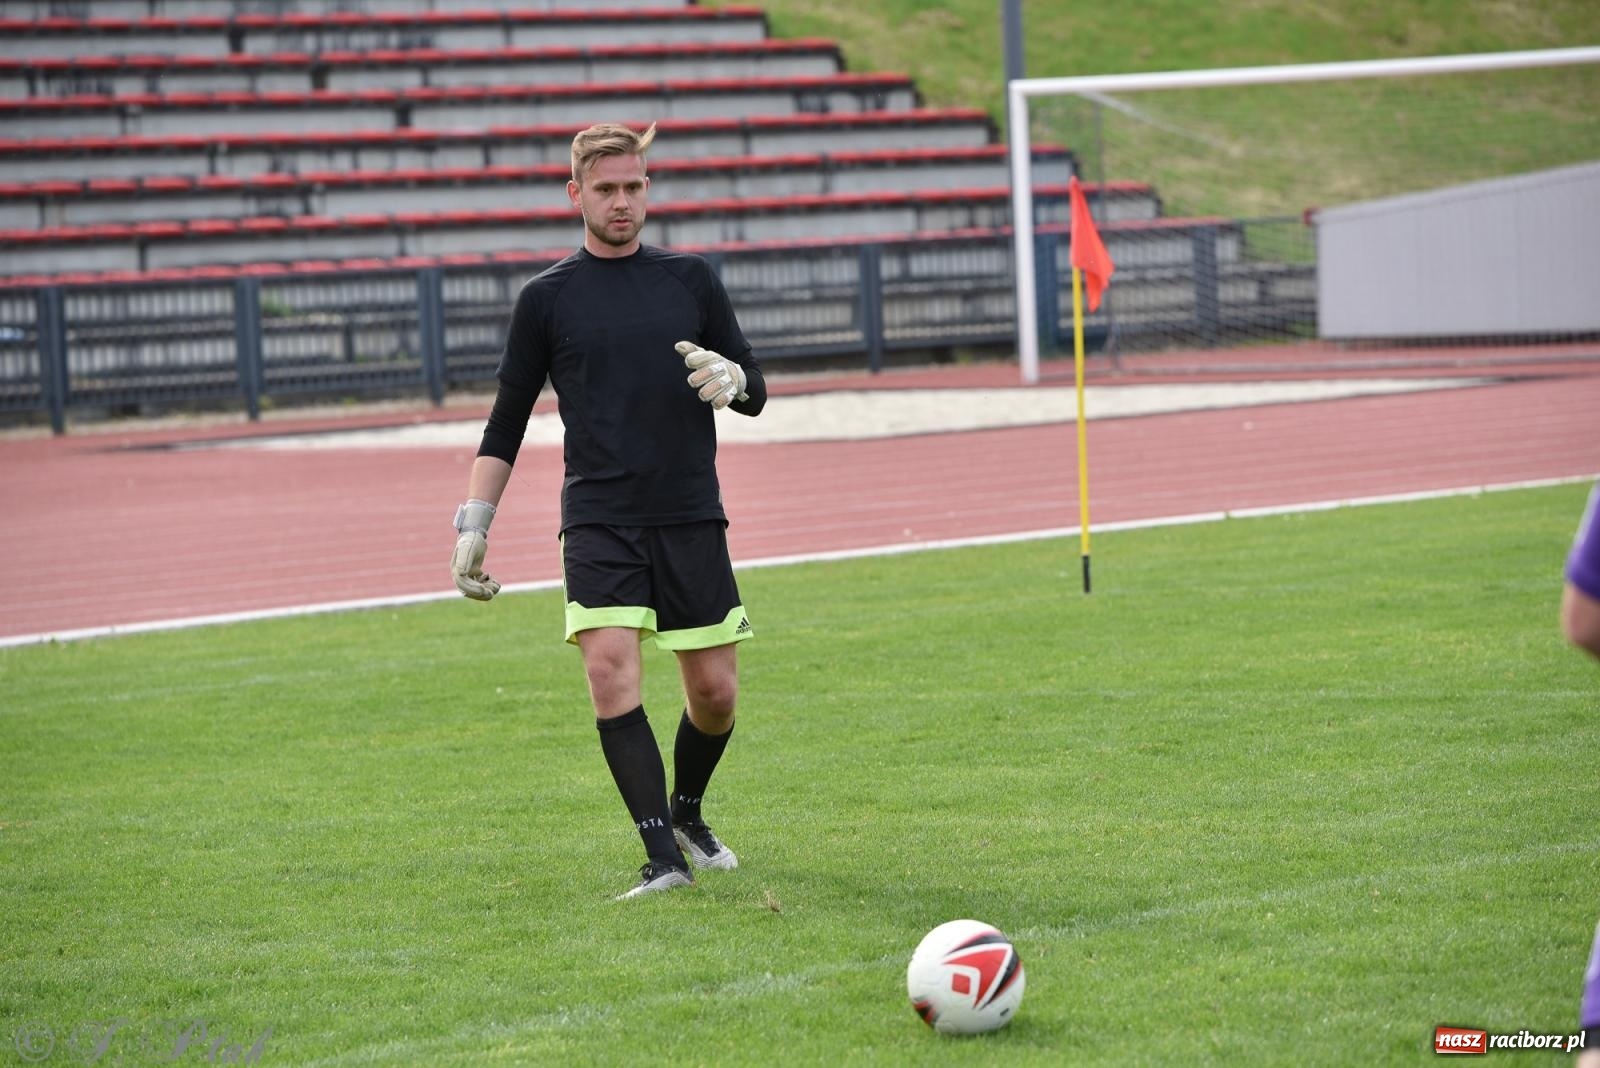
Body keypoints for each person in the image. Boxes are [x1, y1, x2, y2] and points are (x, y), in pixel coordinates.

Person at [447, 121, 767, 899]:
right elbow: (507, 419)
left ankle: (687, 811)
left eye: (633, 187)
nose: (621, 202)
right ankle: (662, 860)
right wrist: (472, 526)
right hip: (598, 516)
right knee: (608, 667)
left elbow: (753, 389)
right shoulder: (547, 299)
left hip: (690, 511)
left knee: (715, 694)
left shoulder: (691, 280)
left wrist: (737, 381)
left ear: (647, 188)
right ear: (576, 195)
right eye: (605, 190)